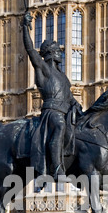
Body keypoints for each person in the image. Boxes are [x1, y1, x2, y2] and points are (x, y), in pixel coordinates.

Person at [23, 11, 83, 181]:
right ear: (50, 53)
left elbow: (69, 97)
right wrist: (24, 27)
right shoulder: (43, 68)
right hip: (52, 113)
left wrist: (77, 106)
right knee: (59, 125)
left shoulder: (62, 76)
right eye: (57, 50)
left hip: (65, 112)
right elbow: (29, 50)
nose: (60, 53)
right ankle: (56, 169)